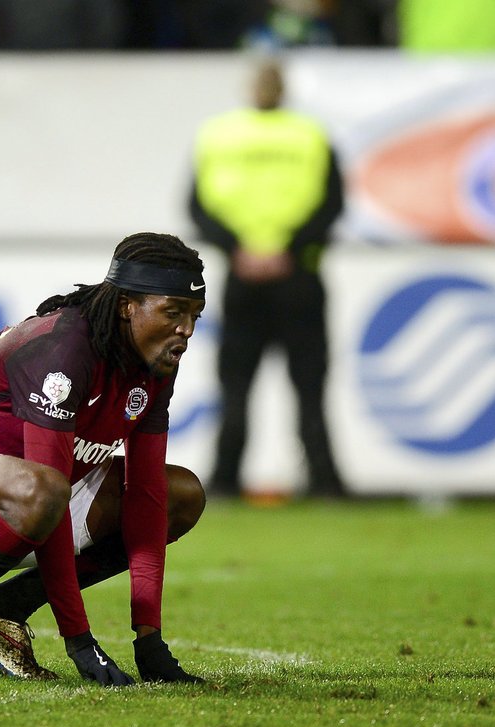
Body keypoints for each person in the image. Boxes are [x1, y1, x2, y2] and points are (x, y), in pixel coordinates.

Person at [0, 232, 208, 687]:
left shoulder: (154, 359)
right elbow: (49, 489)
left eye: (193, 316)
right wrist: (79, 640)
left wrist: (149, 638)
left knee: (179, 495)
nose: (186, 330)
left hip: (28, 500)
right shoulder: (65, 350)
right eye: (173, 312)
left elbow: (146, 496)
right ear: (128, 304)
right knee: (43, 488)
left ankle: (1, 609)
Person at [188, 59, 347, 499]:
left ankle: (223, 480)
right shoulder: (311, 135)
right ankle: (325, 483)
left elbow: (198, 207)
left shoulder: (218, 135)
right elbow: (333, 204)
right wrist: (289, 250)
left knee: (236, 383)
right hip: (299, 276)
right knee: (309, 385)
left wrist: (237, 249)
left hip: (244, 278)